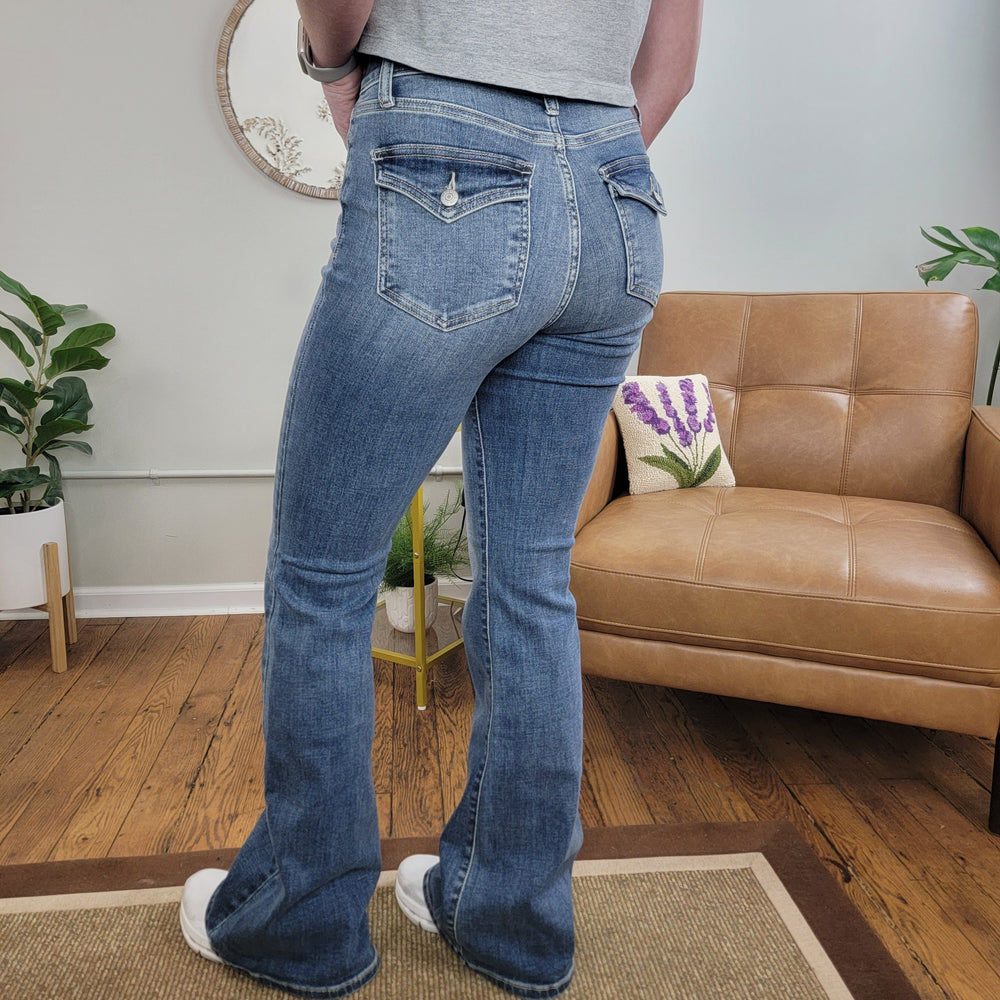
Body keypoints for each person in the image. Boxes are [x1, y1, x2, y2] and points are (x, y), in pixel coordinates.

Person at [179, 1, 703, 996]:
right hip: (615, 185)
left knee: (322, 580)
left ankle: (299, 925)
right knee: (532, 579)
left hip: (445, 151)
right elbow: (669, 71)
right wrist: (574, 167)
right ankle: (509, 918)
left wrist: (334, 68)